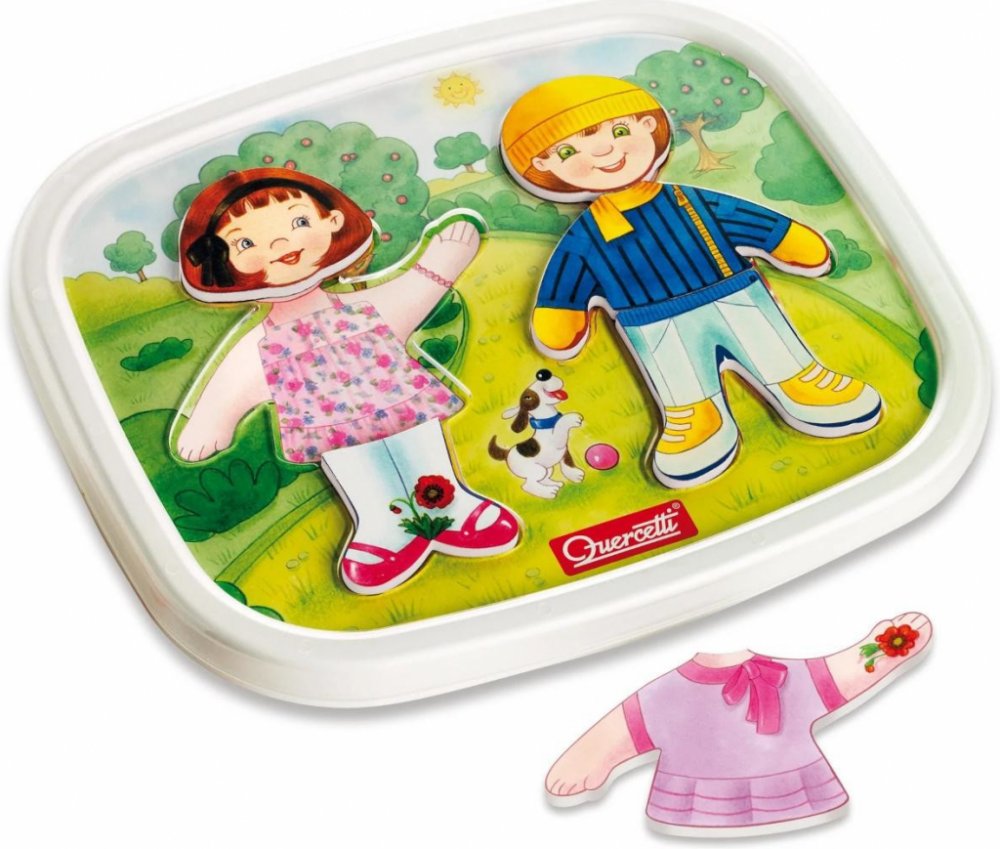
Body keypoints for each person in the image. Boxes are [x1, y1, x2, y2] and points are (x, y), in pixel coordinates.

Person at [500, 76, 883, 488]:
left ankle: (803, 382)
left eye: (620, 131)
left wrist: (788, 240)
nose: (604, 150)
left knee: (776, 353)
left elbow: (751, 223)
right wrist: (561, 314)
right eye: (569, 151)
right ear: (544, 166)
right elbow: (567, 283)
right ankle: (693, 421)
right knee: (682, 384)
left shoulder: (691, 199)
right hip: (653, 324)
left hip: (736, 295)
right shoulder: (586, 236)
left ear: (649, 125)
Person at [176, 167, 519, 595]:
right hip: (330, 426)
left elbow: (408, 299)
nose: (279, 245)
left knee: (419, 443)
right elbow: (238, 376)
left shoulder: (362, 307)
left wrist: (438, 267)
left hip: (395, 400)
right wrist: (213, 419)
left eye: (299, 221)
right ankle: (382, 528)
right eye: (245, 243)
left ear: (333, 221)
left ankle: (454, 505)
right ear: (218, 259)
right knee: (356, 468)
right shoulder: (261, 342)